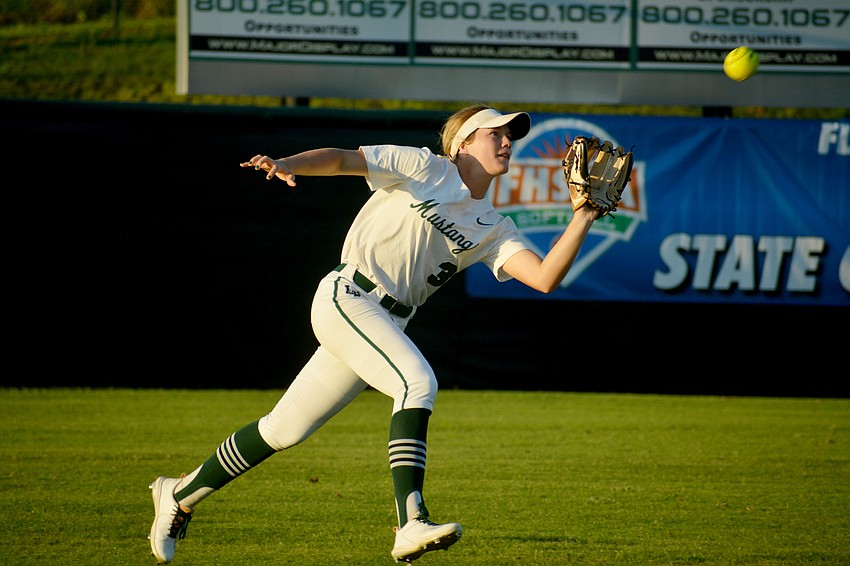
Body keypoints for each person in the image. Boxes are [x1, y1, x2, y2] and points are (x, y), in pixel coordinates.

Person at [148, 104, 600, 564]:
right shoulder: (425, 166)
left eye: (510, 135)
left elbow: (544, 277)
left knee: (283, 429)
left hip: (387, 321)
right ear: (462, 142)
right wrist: (287, 164)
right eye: (494, 133)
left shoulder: (492, 226)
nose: (506, 141)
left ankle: (178, 494)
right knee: (417, 383)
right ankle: (411, 521)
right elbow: (344, 159)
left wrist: (582, 216)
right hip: (349, 296)